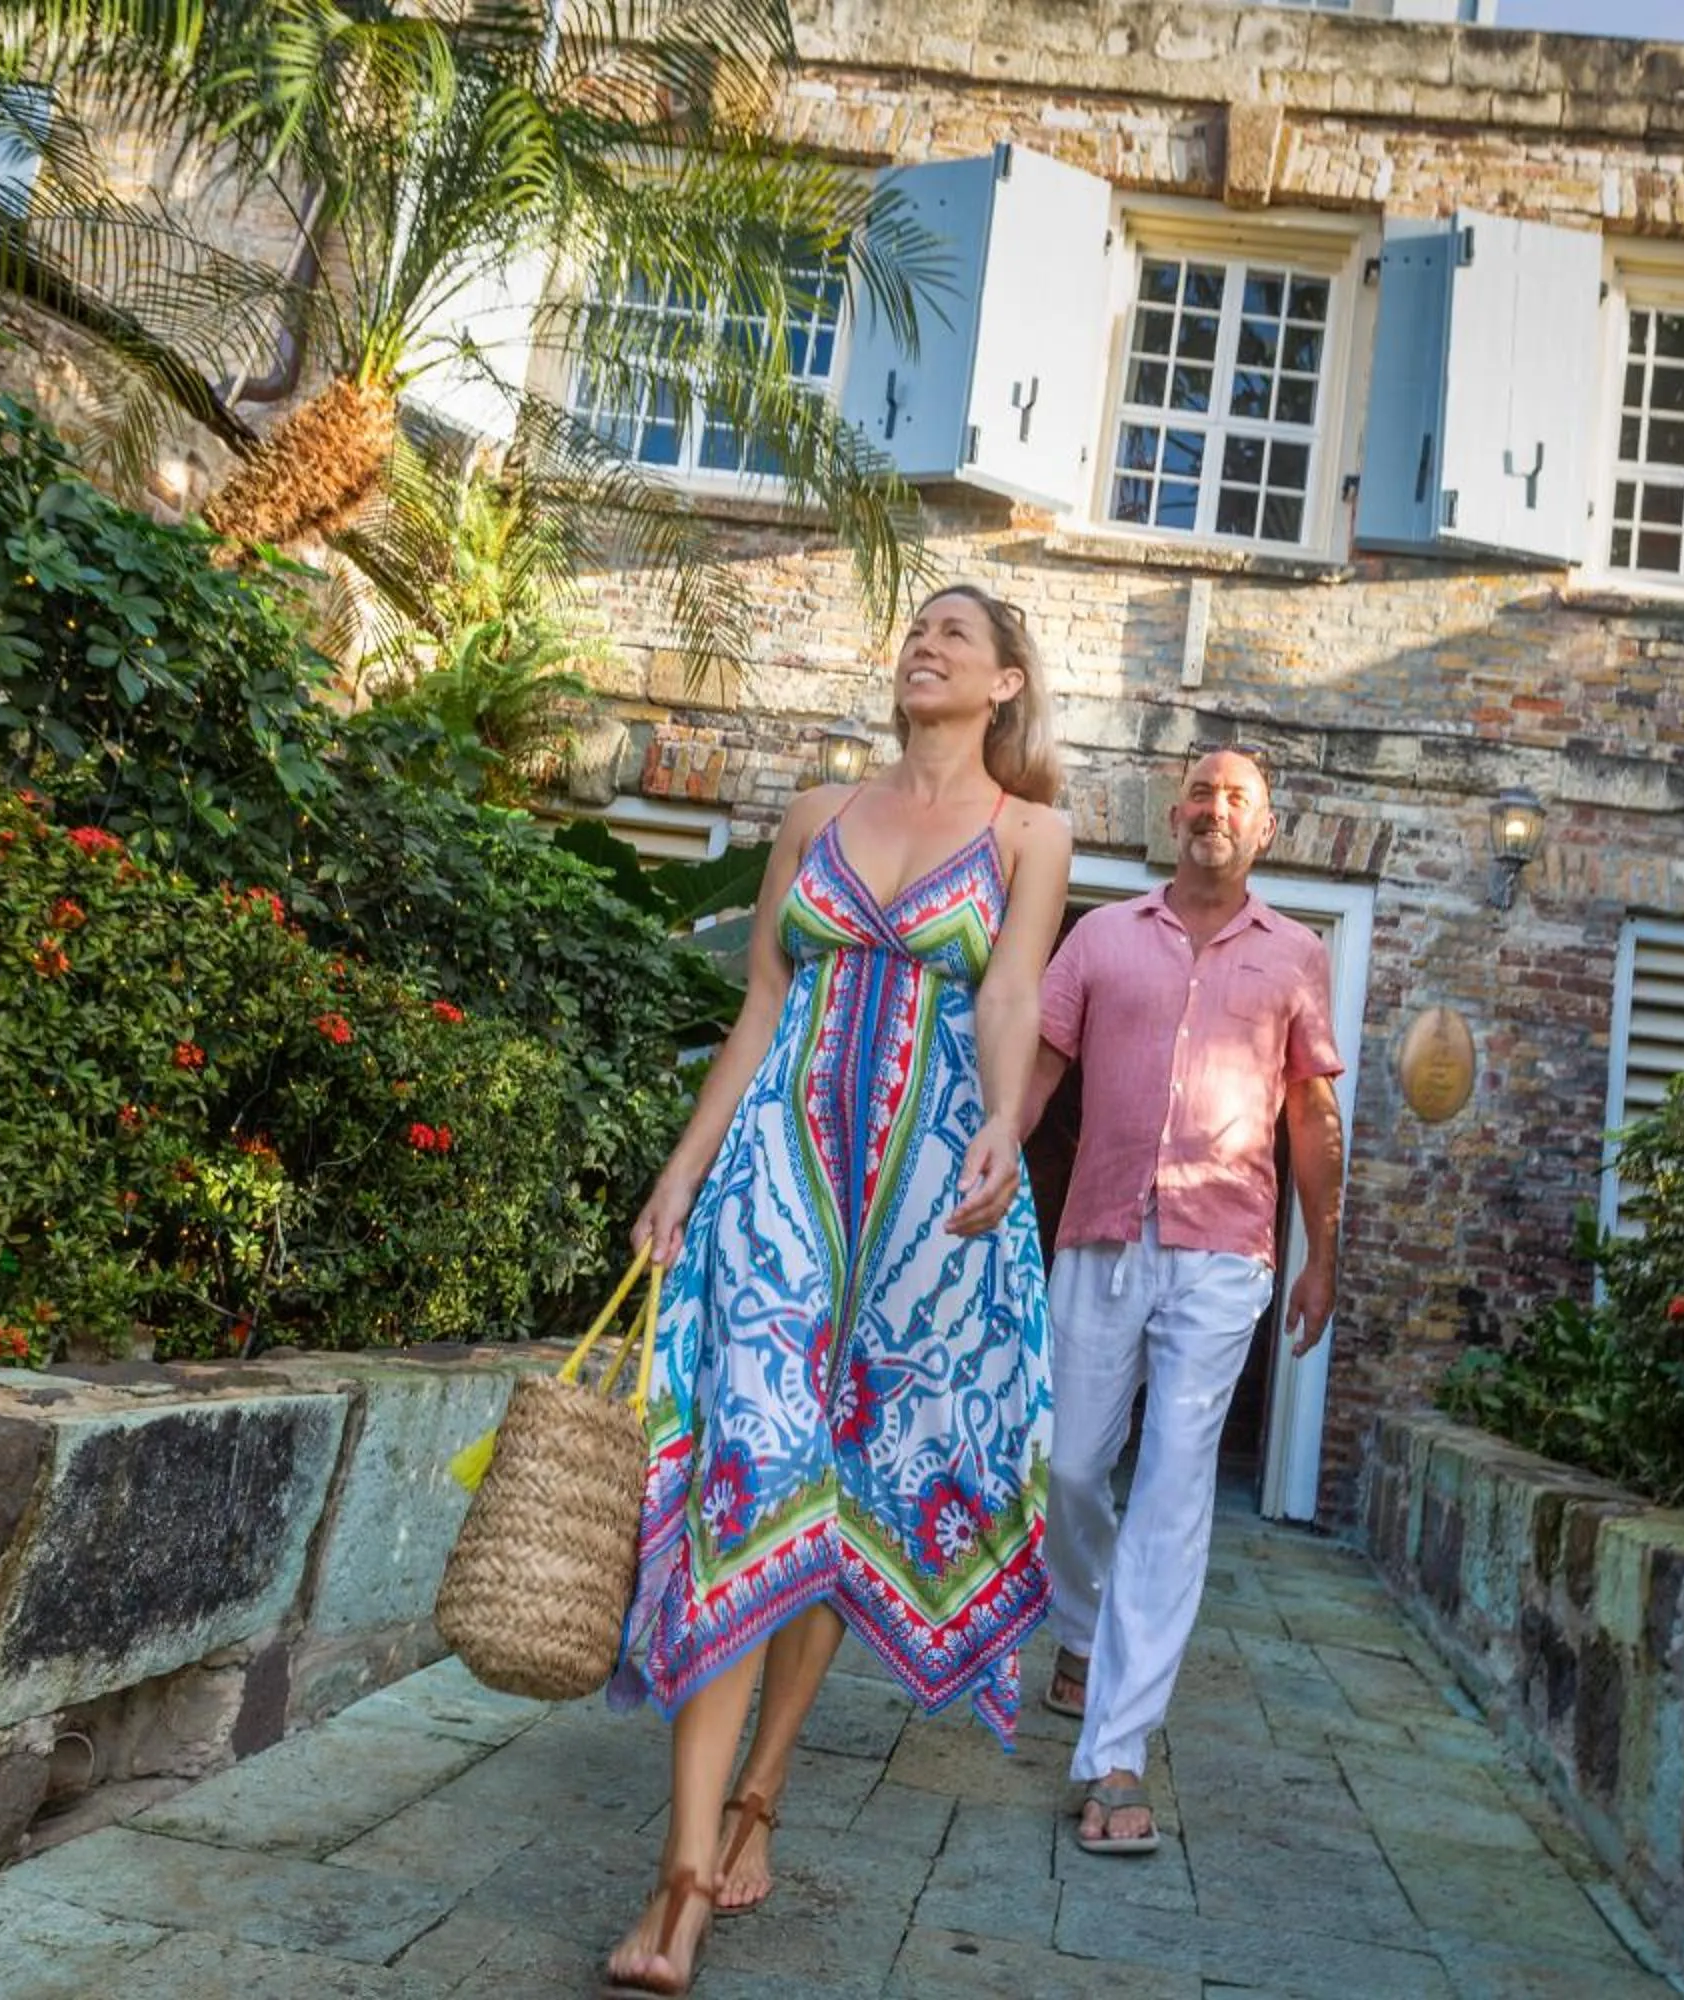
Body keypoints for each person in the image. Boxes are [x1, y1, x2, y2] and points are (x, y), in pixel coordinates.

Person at [600, 585, 1072, 1997]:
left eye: (955, 639)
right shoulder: (814, 814)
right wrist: (682, 1171)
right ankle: (682, 1875)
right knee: (751, 1473)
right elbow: (759, 1001)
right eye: (914, 631)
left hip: (933, 1205)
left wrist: (1003, 1123)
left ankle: (764, 1790)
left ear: (1003, 686)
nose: (923, 648)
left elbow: (1012, 998)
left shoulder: (1030, 836)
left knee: (849, 1485)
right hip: (777, 1182)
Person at [1025, 747, 1346, 1856]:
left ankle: (1117, 1747)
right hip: (1100, 1229)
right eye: (1202, 793)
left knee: (1171, 1483)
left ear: (1267, 829)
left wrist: (1324, 1255)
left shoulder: (1298, 955)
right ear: (1175, 815)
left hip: (1225, 1254)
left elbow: (1311, 1115)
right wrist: (985, 1161)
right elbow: (1041, 1067)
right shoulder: (1101, 937)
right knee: (1069, 1461)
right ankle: (1081, 1622)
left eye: (1238, 799)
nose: (1217, 810)